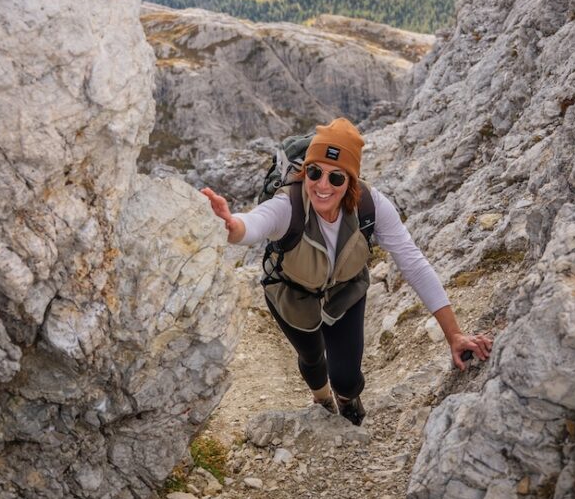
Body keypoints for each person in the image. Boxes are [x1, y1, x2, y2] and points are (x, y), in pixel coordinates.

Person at [202, 117, 491, 425]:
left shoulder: (371, 206)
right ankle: (323, 400)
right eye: (314, 172)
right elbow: (254, 224)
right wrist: (231, 226)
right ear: (305, 172)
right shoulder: (289, 205)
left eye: (336, 178)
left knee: (347, 375)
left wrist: (454, 335)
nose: (322, 186)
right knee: (311, 357)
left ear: (351, 181)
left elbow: (413, 263)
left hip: (345, 292)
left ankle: (346, 398)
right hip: (291, 293)